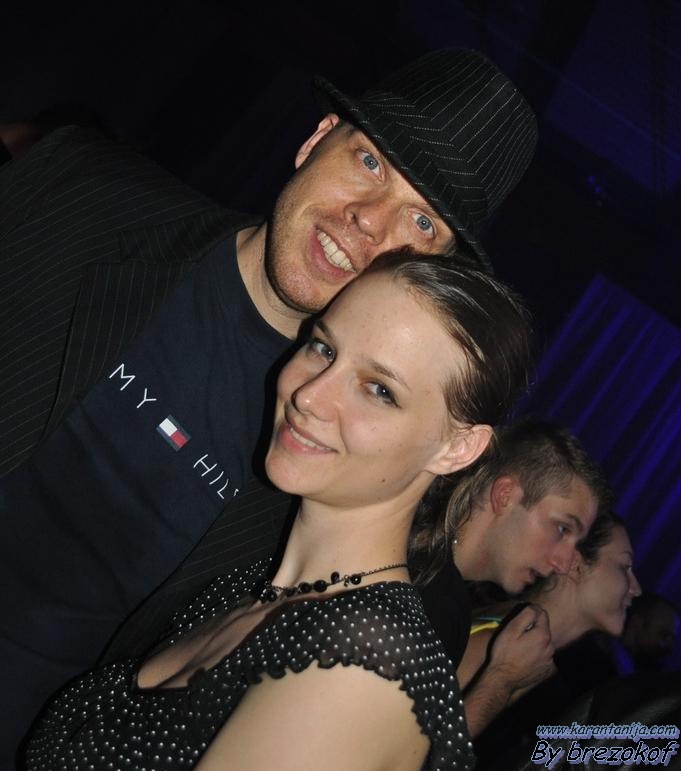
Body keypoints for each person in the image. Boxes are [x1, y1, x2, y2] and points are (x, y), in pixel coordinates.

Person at [0, 48, 538, 765]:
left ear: (430, 270)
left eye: (420, 221)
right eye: (370, 162)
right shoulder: (80, 191)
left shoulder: (330, 467)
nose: (368, 221)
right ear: (317, 139)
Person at [25, 248, 533, 770]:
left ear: (457, 448)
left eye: (379, 390)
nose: (310, 396)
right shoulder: (246, 590)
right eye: (323, 348)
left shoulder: (363, 661)